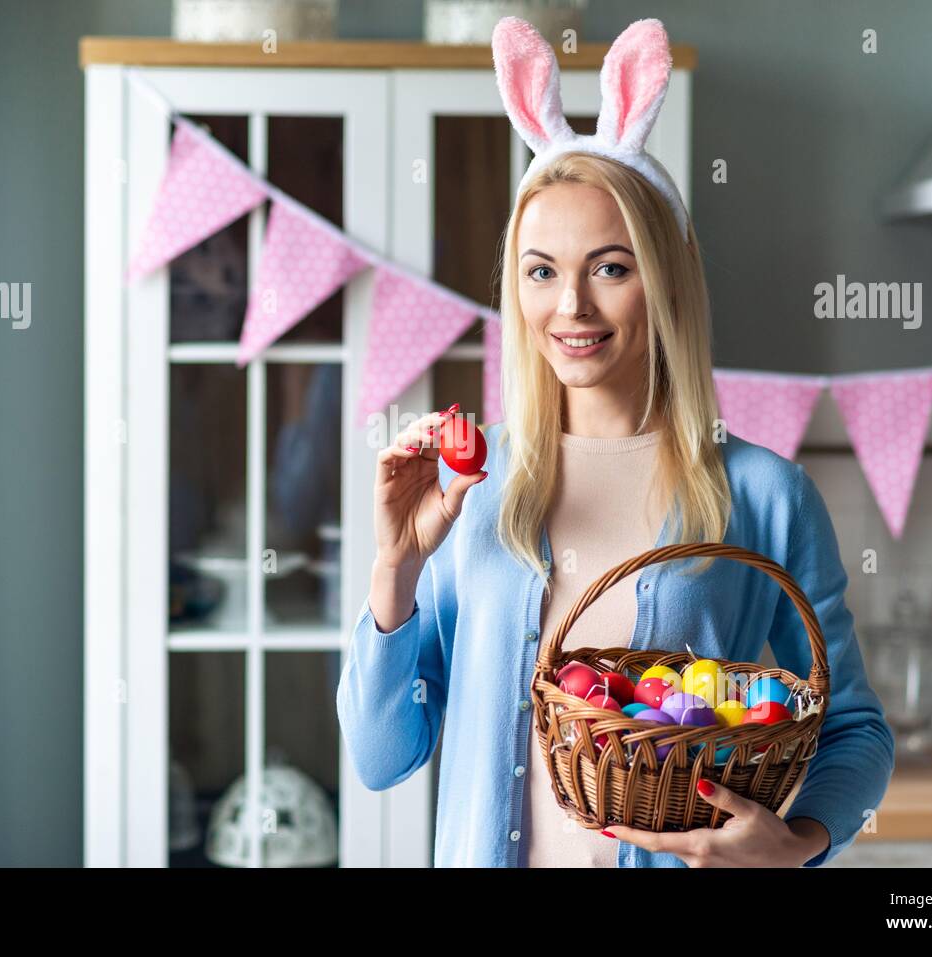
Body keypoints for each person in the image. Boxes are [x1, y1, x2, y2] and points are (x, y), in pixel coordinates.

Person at [336, 16, 894, 868]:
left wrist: (797, 842)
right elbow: (383, 757)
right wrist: (395, 570)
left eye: (610, 266)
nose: (572, 309)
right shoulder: (469, 488)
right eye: (541, 269)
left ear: (664, 278)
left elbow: (853, 728)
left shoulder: (763, 494)